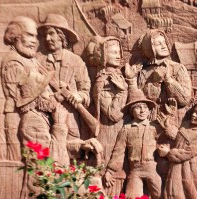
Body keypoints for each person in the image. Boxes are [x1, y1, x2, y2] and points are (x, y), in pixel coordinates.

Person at [37, 14, 91, 142]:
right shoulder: (39, 61)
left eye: (51, 33)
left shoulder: (75, 61)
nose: (47, 38)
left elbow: (85, 91)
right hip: (45, 121)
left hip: (71, 121)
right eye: (45, 35)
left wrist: (78, 96)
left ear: (61, 36)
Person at [1, 16, 49, 161]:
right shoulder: (13, 61)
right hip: (20, 117)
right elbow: (23, 97)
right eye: (29, 35)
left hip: (34, 117)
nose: (34, 41)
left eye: (35, 36)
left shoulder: (30, 60)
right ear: (15, 37)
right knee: (23, 162)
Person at [157, 98, 197, 199]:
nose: (194, 115)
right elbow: (179, 136)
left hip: (189, 169)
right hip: (176, 166)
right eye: (194, 112)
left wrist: (168, 153)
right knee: (173, 191)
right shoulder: (186, 124)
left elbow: (186, 153)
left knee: (190, 191)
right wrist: (167, 126)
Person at [104, 89, 162, 199]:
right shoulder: (126, 129)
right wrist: (110, 171)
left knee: (161, 195)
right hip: (135, 170)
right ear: (131, 111)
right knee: (131, 196)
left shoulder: (154, 127)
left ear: (149, 111)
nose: (142, 110)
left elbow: (167, 139)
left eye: (145, 107)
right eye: (138, 107)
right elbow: (119, 152)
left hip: (151, 168)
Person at [125, 29, 192, 123]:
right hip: (149, 118)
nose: (163, 46)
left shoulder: (177, 68)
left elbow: (184, 99)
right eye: (158, 44)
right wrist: (133, 78)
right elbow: (140, 99)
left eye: (164, 42)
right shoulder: (144, 72)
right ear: (149, 47)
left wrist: (168, 80)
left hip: (171, 118)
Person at [91, 36, 128, 196]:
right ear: (104, 55)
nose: (118, 55)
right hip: (109, 136)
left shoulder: (120, 77)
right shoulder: (101, 83)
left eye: (119, 52)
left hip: (122, 133)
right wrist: (122, 92)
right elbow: (113, 115)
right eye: (113, 52)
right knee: (110, 179)